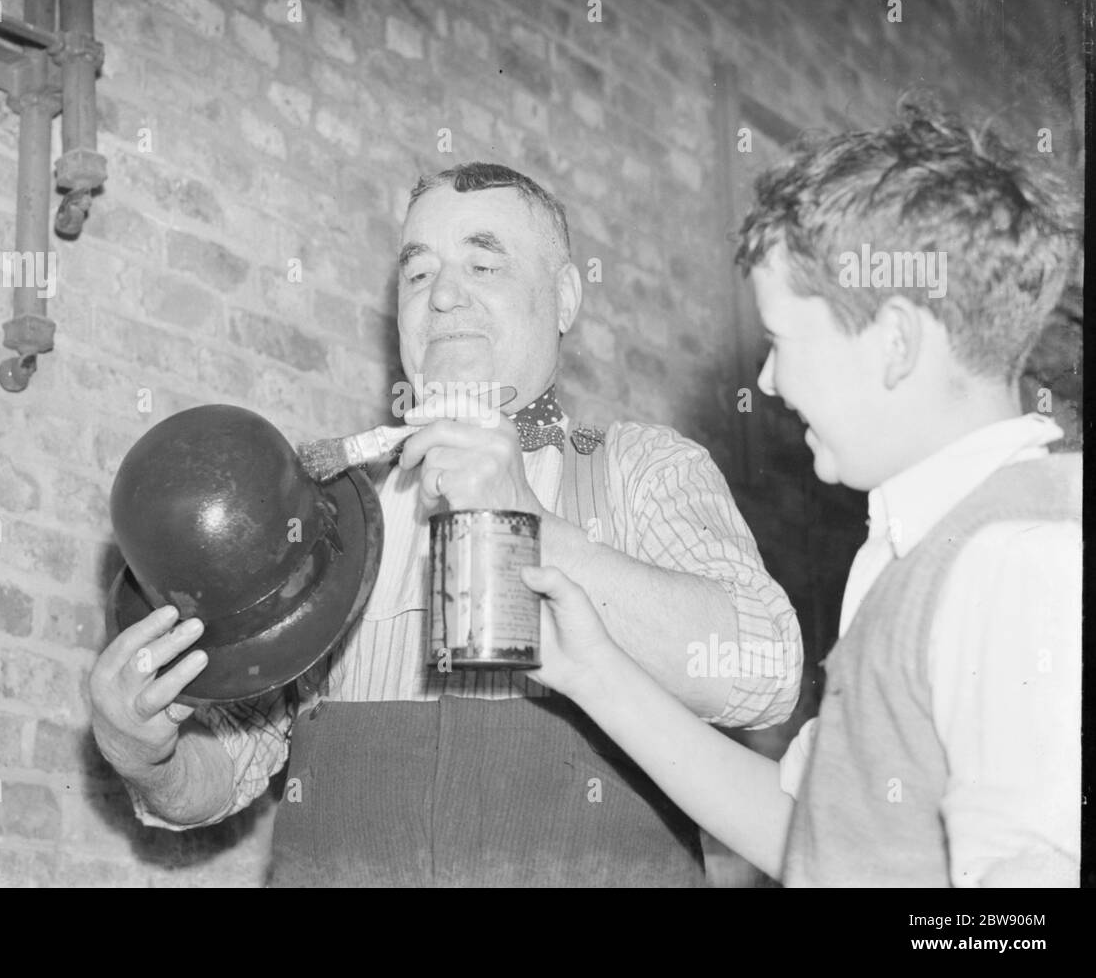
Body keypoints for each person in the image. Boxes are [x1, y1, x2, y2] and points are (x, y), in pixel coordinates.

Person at [88, 162, 802, 887]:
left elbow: (764, 669)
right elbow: (227, 769)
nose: (445, 296)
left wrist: (533, 524)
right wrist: (142, 750)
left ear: (563, 297)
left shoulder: (645, 469)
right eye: (418, 275)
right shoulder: (335, 515)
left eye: (483, 262)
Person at [522, 105, 1082, 887]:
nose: (769, 382)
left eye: (783, 341)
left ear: (894, 344)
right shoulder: (913, 546)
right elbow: (807, 828)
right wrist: (593, 673)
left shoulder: (1020, 560)